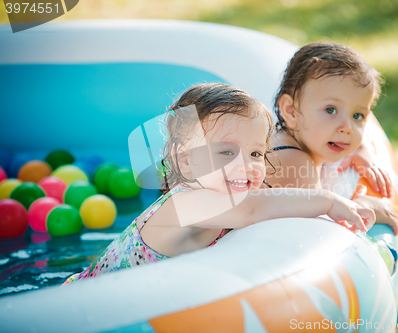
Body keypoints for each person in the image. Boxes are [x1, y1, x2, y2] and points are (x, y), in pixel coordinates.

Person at [63, 83, 375, 284]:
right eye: (226, 151)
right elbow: (253, 210)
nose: (247, 164)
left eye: (255, 152)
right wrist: (330, 201)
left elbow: (279, 203)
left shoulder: (224, 199)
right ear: (186, 161)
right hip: (80, 305)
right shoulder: (182, 204)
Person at [267, 41, 398, 235]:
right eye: (331, 110)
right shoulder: (295, 165)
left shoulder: (290, 137)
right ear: (291, 111)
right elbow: (316, 236)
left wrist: (363, 148)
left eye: (357, 116)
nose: (347, 128)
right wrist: (361, 206)